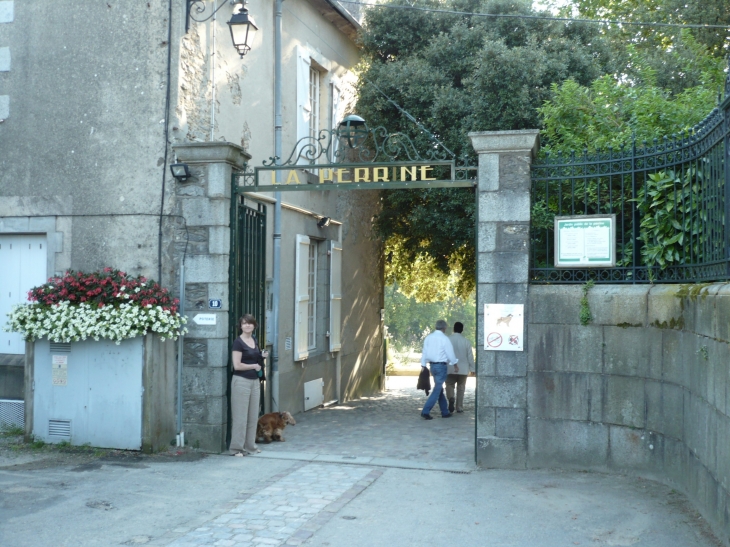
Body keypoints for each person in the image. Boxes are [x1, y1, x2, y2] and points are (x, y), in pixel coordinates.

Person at [229, 314, 269, 456]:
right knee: (240, 417)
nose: (247, 325)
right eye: (244, 323)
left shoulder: (254, 339)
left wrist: (261, 356)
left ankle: (250, 446)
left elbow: (255, 357)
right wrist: (254, 365)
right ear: (240, 326)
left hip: (254, 382)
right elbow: (237, 365)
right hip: (241, 381)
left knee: (252, 416)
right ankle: (236, 449)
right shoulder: (238, 343)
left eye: (250, 323)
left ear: (254, 325)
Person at [420, 319, 458, 420]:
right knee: (437, 389)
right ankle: (426, 410)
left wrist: (423, 365)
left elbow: (424, 352)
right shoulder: (445, 339)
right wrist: (455, 364)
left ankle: (445, 412)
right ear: (444, 328)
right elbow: (450, 353)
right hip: (441, 366)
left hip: (432, 366)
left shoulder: (428, 338)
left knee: (439, 388)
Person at [447, 321, 475, 413]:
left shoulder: (448, 340)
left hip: (450, 368)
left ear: (453, 329)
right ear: (462, 330)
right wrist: (472, 369)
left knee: (449, 385)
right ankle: (459, 407)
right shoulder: (466, 341)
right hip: (463, 368)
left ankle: (451, 398)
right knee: (461, 387)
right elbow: (470, 356)